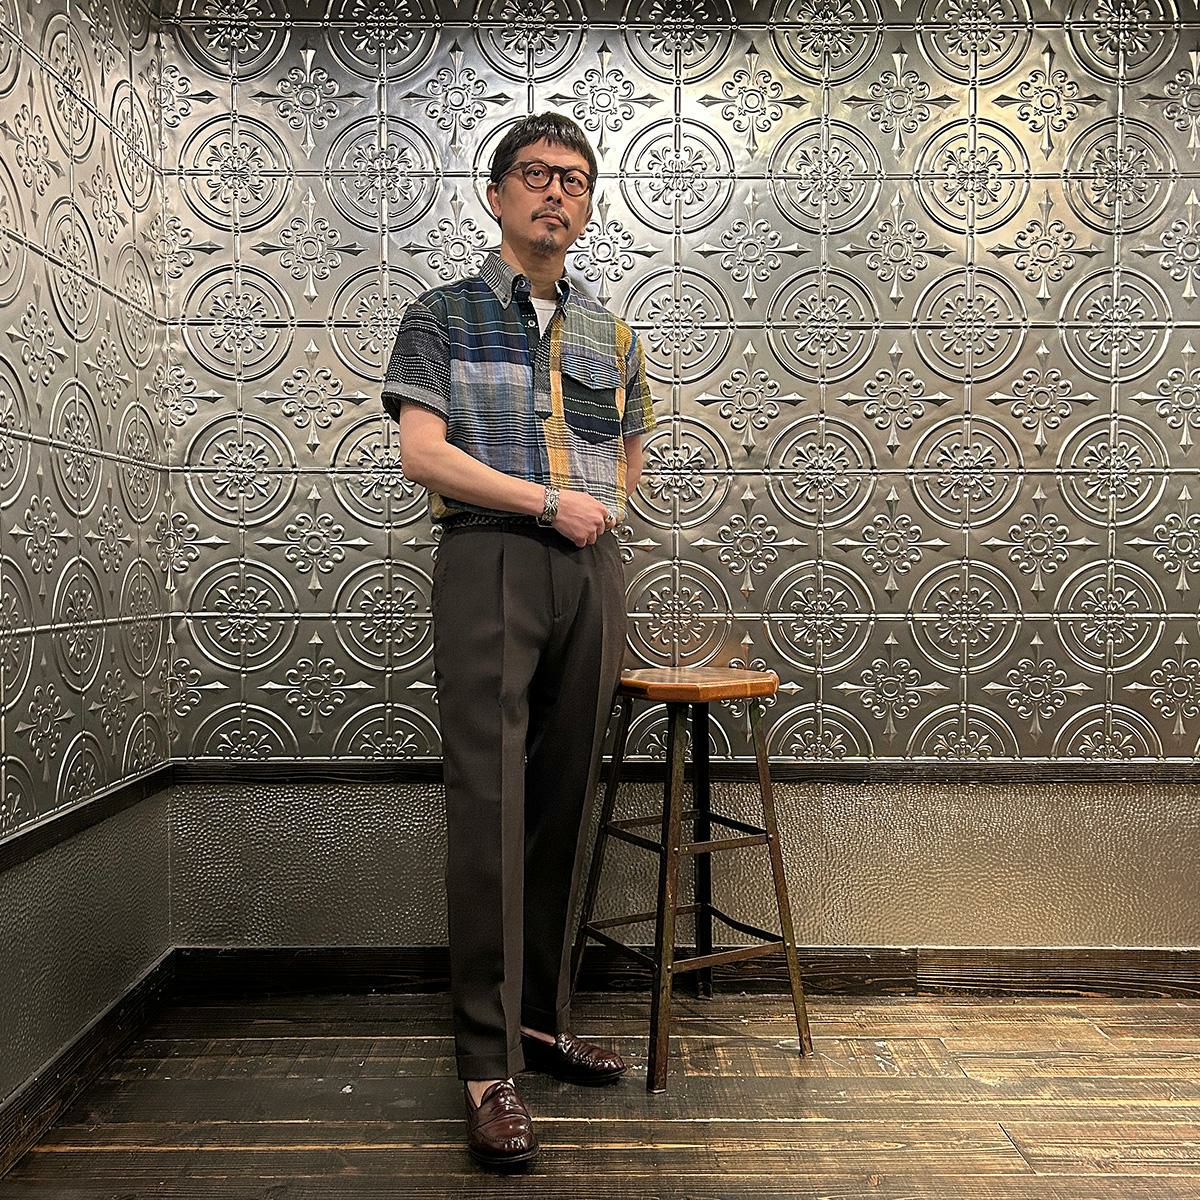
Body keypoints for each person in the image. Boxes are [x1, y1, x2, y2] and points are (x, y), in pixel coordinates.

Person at [381, 112, 656, 1171]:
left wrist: (599, 511)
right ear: (496, 196)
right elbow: (422, 454)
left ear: (588, 207)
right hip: (490, 557)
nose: (556, 193)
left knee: (561, 798)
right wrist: (545, 501)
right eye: (536, 175)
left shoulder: (613, 335)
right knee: (489, 803)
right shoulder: (441, 315)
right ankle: (486, 1069)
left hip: (590, 568)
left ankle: (538, 1025)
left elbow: (628, 451)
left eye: (574, 181)